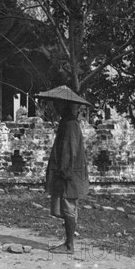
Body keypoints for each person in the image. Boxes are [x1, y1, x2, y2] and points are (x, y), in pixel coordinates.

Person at [45, 95, 90, 254]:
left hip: (69, 174)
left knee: (68, 207)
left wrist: (63, 173)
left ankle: (69, 245)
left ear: (65, 105)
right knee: (65, 207)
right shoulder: (67, 122)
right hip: (68, 172)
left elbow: (69, 151)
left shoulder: (70, 124)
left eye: (58, 103)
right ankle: (68, 242)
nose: (55, 107)